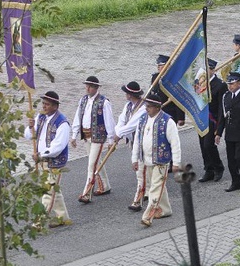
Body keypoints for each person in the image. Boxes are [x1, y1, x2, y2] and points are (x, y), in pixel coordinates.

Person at [131, 93, 182, 227]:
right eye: (146, 106)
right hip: (146, 161)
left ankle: (148, 216)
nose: (146, 109)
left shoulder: (168, 121)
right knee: (159, 187)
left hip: (161, 161)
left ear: (158, 107)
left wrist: (176, 163)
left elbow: (175, 143)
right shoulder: (142, 119)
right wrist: (134, 159)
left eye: (149, 106)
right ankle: (165, 210)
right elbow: (137, 140)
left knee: (155, 188)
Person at [24, 91, 72, 228]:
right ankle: (63, 217)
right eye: (43, 103)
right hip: (42, 160)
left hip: (55, 162)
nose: (44, 106)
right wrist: (31, 127)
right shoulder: (40, 117)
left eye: (47, 104)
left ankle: (39, 222)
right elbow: (29, 136)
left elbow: (58, 146)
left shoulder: (62, 123)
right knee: (54, 190)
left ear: (55, 107)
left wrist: (42, 155)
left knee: (48, 192)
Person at [71, 76, 115, 203]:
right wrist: (74, 135)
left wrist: (111, 140)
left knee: (91, 165)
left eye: (90, 86)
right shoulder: (83, 100)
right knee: (96, 161)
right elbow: (77, 117)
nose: (87, 88)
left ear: (96, 88)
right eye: (87, 86)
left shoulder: (104, 102)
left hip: (98, 137)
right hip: (86, 136)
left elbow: (109, 122)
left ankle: (87, 193)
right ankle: (105, 186)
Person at [114, 81, 148, 211]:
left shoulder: (143, 107)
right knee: (143, 171)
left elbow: (133, 124)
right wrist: (117, 132)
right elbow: (122, 120)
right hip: (133, 142)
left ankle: (138, 200)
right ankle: (148, 192)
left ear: (130, 94)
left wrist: (120, 134)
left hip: (142, 143)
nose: (125, 95)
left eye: (126, 93)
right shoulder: (128, 106)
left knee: (140, 171)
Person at [199, 59, 226, 182]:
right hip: (201, 119)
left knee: (208, 145)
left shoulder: (220, 85)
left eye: (208, 69)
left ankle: (218, 167)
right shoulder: (200, 82)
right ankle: (208, 169)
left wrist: (220, 127)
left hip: (213, 119)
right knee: (202, 146)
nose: (206, 71)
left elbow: (221, 107)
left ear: (213, 70)